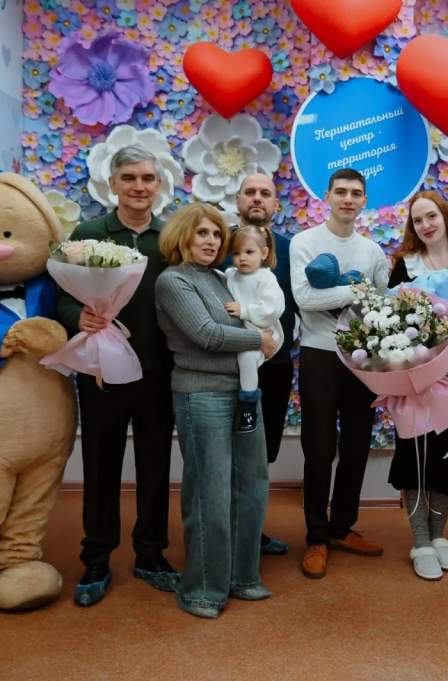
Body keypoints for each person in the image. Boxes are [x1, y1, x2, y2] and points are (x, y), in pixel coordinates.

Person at [55, 145, 177, 606]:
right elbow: (61, 295)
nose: (139, 187)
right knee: (100, 465)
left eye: (147, 178)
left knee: (155, 466)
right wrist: (78, 317)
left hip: (157, 374)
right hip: (101, 373)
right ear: (112, 184)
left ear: (158, 184)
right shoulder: (88, 235)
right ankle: (96, 558)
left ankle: (151, 554)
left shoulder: (170, 239)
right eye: (129, 178)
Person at [154, 202, 277, 619]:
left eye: (217, 235)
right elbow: (206, 335)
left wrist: (262, 335)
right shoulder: (173, 281)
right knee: (210, 492)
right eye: (202, 233)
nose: (211, 241)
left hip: (244, 393)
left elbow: (253, 321)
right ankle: (203, 590)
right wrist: (260, 340)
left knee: (251, 486)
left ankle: (243, 577)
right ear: (183, 236)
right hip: (201, 394)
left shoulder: (222, 278)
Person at [290, 168, 390, 579]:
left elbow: (382, 302)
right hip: (318, 355)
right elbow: (304, 298)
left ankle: (342, 527)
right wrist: (357, 291)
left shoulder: (372, 250)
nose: (348, 199)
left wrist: (364, 296)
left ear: (364, 201)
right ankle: (316, 537)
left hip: (361, 359)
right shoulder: (304, 242)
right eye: (341, 192)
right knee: (319, 450)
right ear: (327, 196)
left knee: (356, 446)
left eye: (356, 193)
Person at [387, 191, 448, 580]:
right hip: (414, 375)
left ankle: (439, 535)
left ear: (446, 217)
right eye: (418, 220)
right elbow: (390, 320)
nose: (426, 225)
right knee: (413, 454)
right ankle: (420, 541)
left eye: (431, 216)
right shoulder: (405, 266)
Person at [234, 173, 297, 556]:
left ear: (276, 205)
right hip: (228, 367)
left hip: (275, 368)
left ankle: (251, 532)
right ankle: (225, 535)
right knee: (229, 452)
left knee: (262, 453)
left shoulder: (291, 249)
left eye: (265, 193)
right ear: (238, 200)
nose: (257, 198)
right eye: (250, 192)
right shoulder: (220, 244)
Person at [224, 224, 285, 433]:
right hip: (242, 332)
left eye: (249, 252)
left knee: (247, 357)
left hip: (265, 331)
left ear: (264, 253)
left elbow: (273, 309)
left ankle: (248, 405)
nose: (242, 258)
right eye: (236, 253)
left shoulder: (266, 278)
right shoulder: (231, 274)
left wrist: (244, 310)